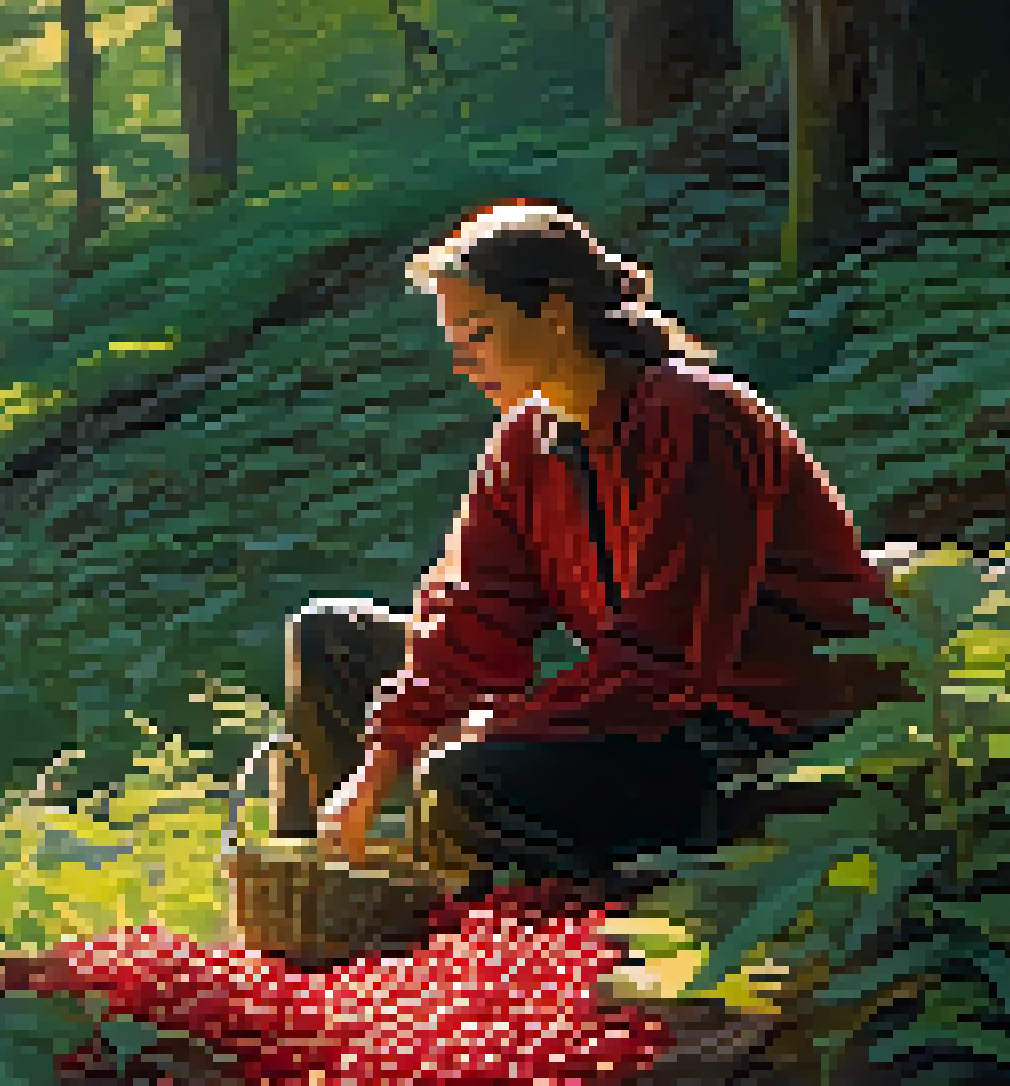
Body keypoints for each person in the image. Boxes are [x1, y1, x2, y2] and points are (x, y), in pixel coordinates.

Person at [276, 199, 914, 906]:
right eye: (454, 338)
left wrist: (493, 728)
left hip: (756, 739)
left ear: (555, 314)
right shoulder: (526, 444)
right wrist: (379, 763)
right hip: (644, 709)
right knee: (335, 637)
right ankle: (331, 888)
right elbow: (472, 614)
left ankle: (556, 923)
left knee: (467, 781)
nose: (461, 362)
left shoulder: (694, 419)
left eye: (480, 333)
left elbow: (670, 665)